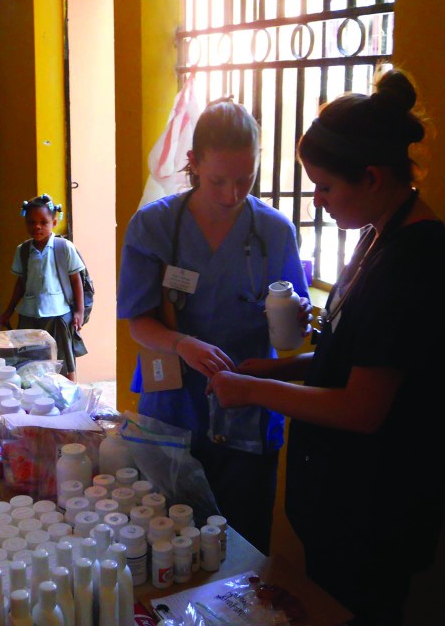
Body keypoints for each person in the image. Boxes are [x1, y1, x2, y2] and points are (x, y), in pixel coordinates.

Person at [208, 69, 445, 625]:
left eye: (326, 187)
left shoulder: (416, 263)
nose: (318, 200)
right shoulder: (380, 235)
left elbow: (361, 406)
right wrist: (286, 366)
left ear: (372, 177)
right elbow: (356, 355)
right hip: (339, 502)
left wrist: (258, 389)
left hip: (376, 509)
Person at [117, 97, 311, 554]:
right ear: (193, 164)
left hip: (247, 406)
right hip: (173, 407)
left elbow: (290, 335)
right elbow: (138, 321)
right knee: (169, 544)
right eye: (218, 179)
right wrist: (181, 342)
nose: (231, 194)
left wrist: (297, 321)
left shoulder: (274, 232)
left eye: (245, 179)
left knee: (242, 545)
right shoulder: (155, 227)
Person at [0, 193, 86, 380]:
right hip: (29, 314)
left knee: (63, 361)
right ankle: (34, 397)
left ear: (54, 222)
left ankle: (70, 399)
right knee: (28, 361)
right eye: (31, 222)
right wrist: (9, 310)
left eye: (43, 222)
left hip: (58, 314)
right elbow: (21, 283)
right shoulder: (23, 251)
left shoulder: (64, 248)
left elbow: (75, 280)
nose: (37, 226)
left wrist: (79, 311)